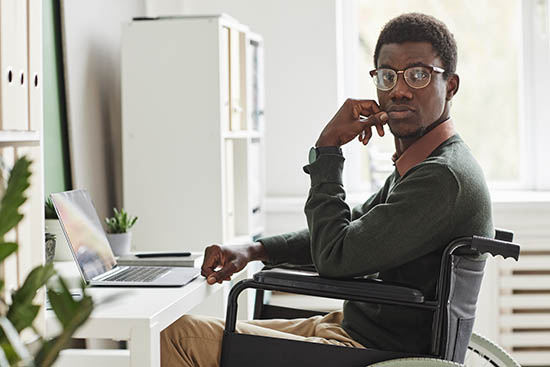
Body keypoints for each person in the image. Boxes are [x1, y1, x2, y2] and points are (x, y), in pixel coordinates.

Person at [161, 12, 493, 367]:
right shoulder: (427, 164)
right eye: (386, 76)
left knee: (176, 337)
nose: (398, 90)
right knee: (189, 330)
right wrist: (254, 250)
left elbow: (336, 256)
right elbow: (350, 231)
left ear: (451, 86)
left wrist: (329, 148)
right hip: (350, 332)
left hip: (373, 354)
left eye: (418, 75)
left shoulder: (441, 178)